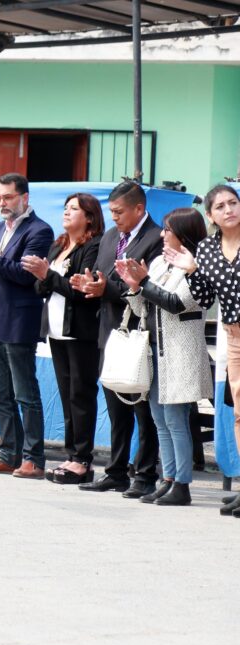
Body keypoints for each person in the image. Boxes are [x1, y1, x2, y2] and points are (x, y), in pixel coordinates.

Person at [72, 181, 163, 498]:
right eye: (111, 212)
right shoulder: (111, 237)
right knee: (115, 407)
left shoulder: (156, 238)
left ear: (139, 208)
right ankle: (116, 471)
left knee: (142, 409)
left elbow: (144, 286)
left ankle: (146, 474)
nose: (114, 218)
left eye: (119, 212)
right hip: (109, 331)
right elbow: (103, 276)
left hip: (142, 332)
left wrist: (105, 289)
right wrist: (89, 283)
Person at [117, 208, 211, 506]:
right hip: (155, 351)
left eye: (167, 229)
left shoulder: (198, 266)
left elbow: (177, 303)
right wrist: (134, 287)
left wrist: (143, 283)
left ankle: (182, 483)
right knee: (159, 418)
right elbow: (144, 307)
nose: (161, 234)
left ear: (183, 233)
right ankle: (167, 478)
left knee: (175, 419)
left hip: (180, 353)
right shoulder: (159, 262)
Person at [0, 173, 54, 478]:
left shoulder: (39, 230)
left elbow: (25, 275)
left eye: (8, 197)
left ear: (24, 198)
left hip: (18, 320)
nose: (3, 203)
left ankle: (34, 457)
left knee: (24, 392)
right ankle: (8, 453)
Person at [22, 193, 103, 484]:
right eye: (66, 208)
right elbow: (40, 287)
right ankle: (71, 455)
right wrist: (43, 276)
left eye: (74, 209)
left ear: (89, 217)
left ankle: (83, 459)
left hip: (80, 332)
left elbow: (82, 290)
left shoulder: (93, 246)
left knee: (80, 395)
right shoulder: (59, 245)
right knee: (68, 395)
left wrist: (48, 276)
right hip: (56, 331)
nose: (66, 213)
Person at [171, 184, 240, 514]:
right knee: (239, 414)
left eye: (234, 202)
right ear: (210, 215)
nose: (229, 209)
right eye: (221, 206)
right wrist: (192, 270)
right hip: (234, 337)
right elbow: (203, 299)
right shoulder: (208, 250)